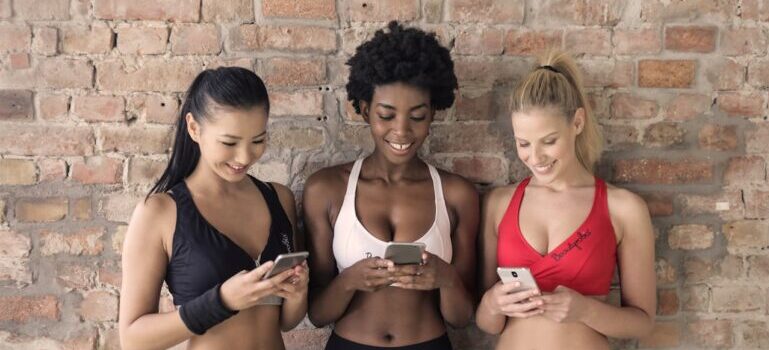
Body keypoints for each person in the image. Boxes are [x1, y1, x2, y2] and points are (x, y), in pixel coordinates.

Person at [303, 21, 479, 350]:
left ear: (433, 116)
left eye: (417, 116)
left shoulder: (457, 194)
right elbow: (317, 314)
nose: (401, 132)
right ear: (366, 110)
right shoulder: (326, 190)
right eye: (386, 115)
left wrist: (445, 279)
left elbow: (462, 317)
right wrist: (350, 280)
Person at [475, 50, 656, 349]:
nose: (535, 158)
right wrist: (492, 304)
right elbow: (486, 324)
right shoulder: (499, 203)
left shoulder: (623, 208)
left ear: (578, 123)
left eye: (549, 141)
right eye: (524, 143)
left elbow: (642, 322)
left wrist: (586, 310)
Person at [119, 67, 308, 350]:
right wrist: (222, 302)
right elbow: (133, 339)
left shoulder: (279, 198)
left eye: (258, 140)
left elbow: (285, 321)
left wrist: (298, 293)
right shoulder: (159, 213)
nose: (244, 157)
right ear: (194, 128)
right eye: (229, 142)